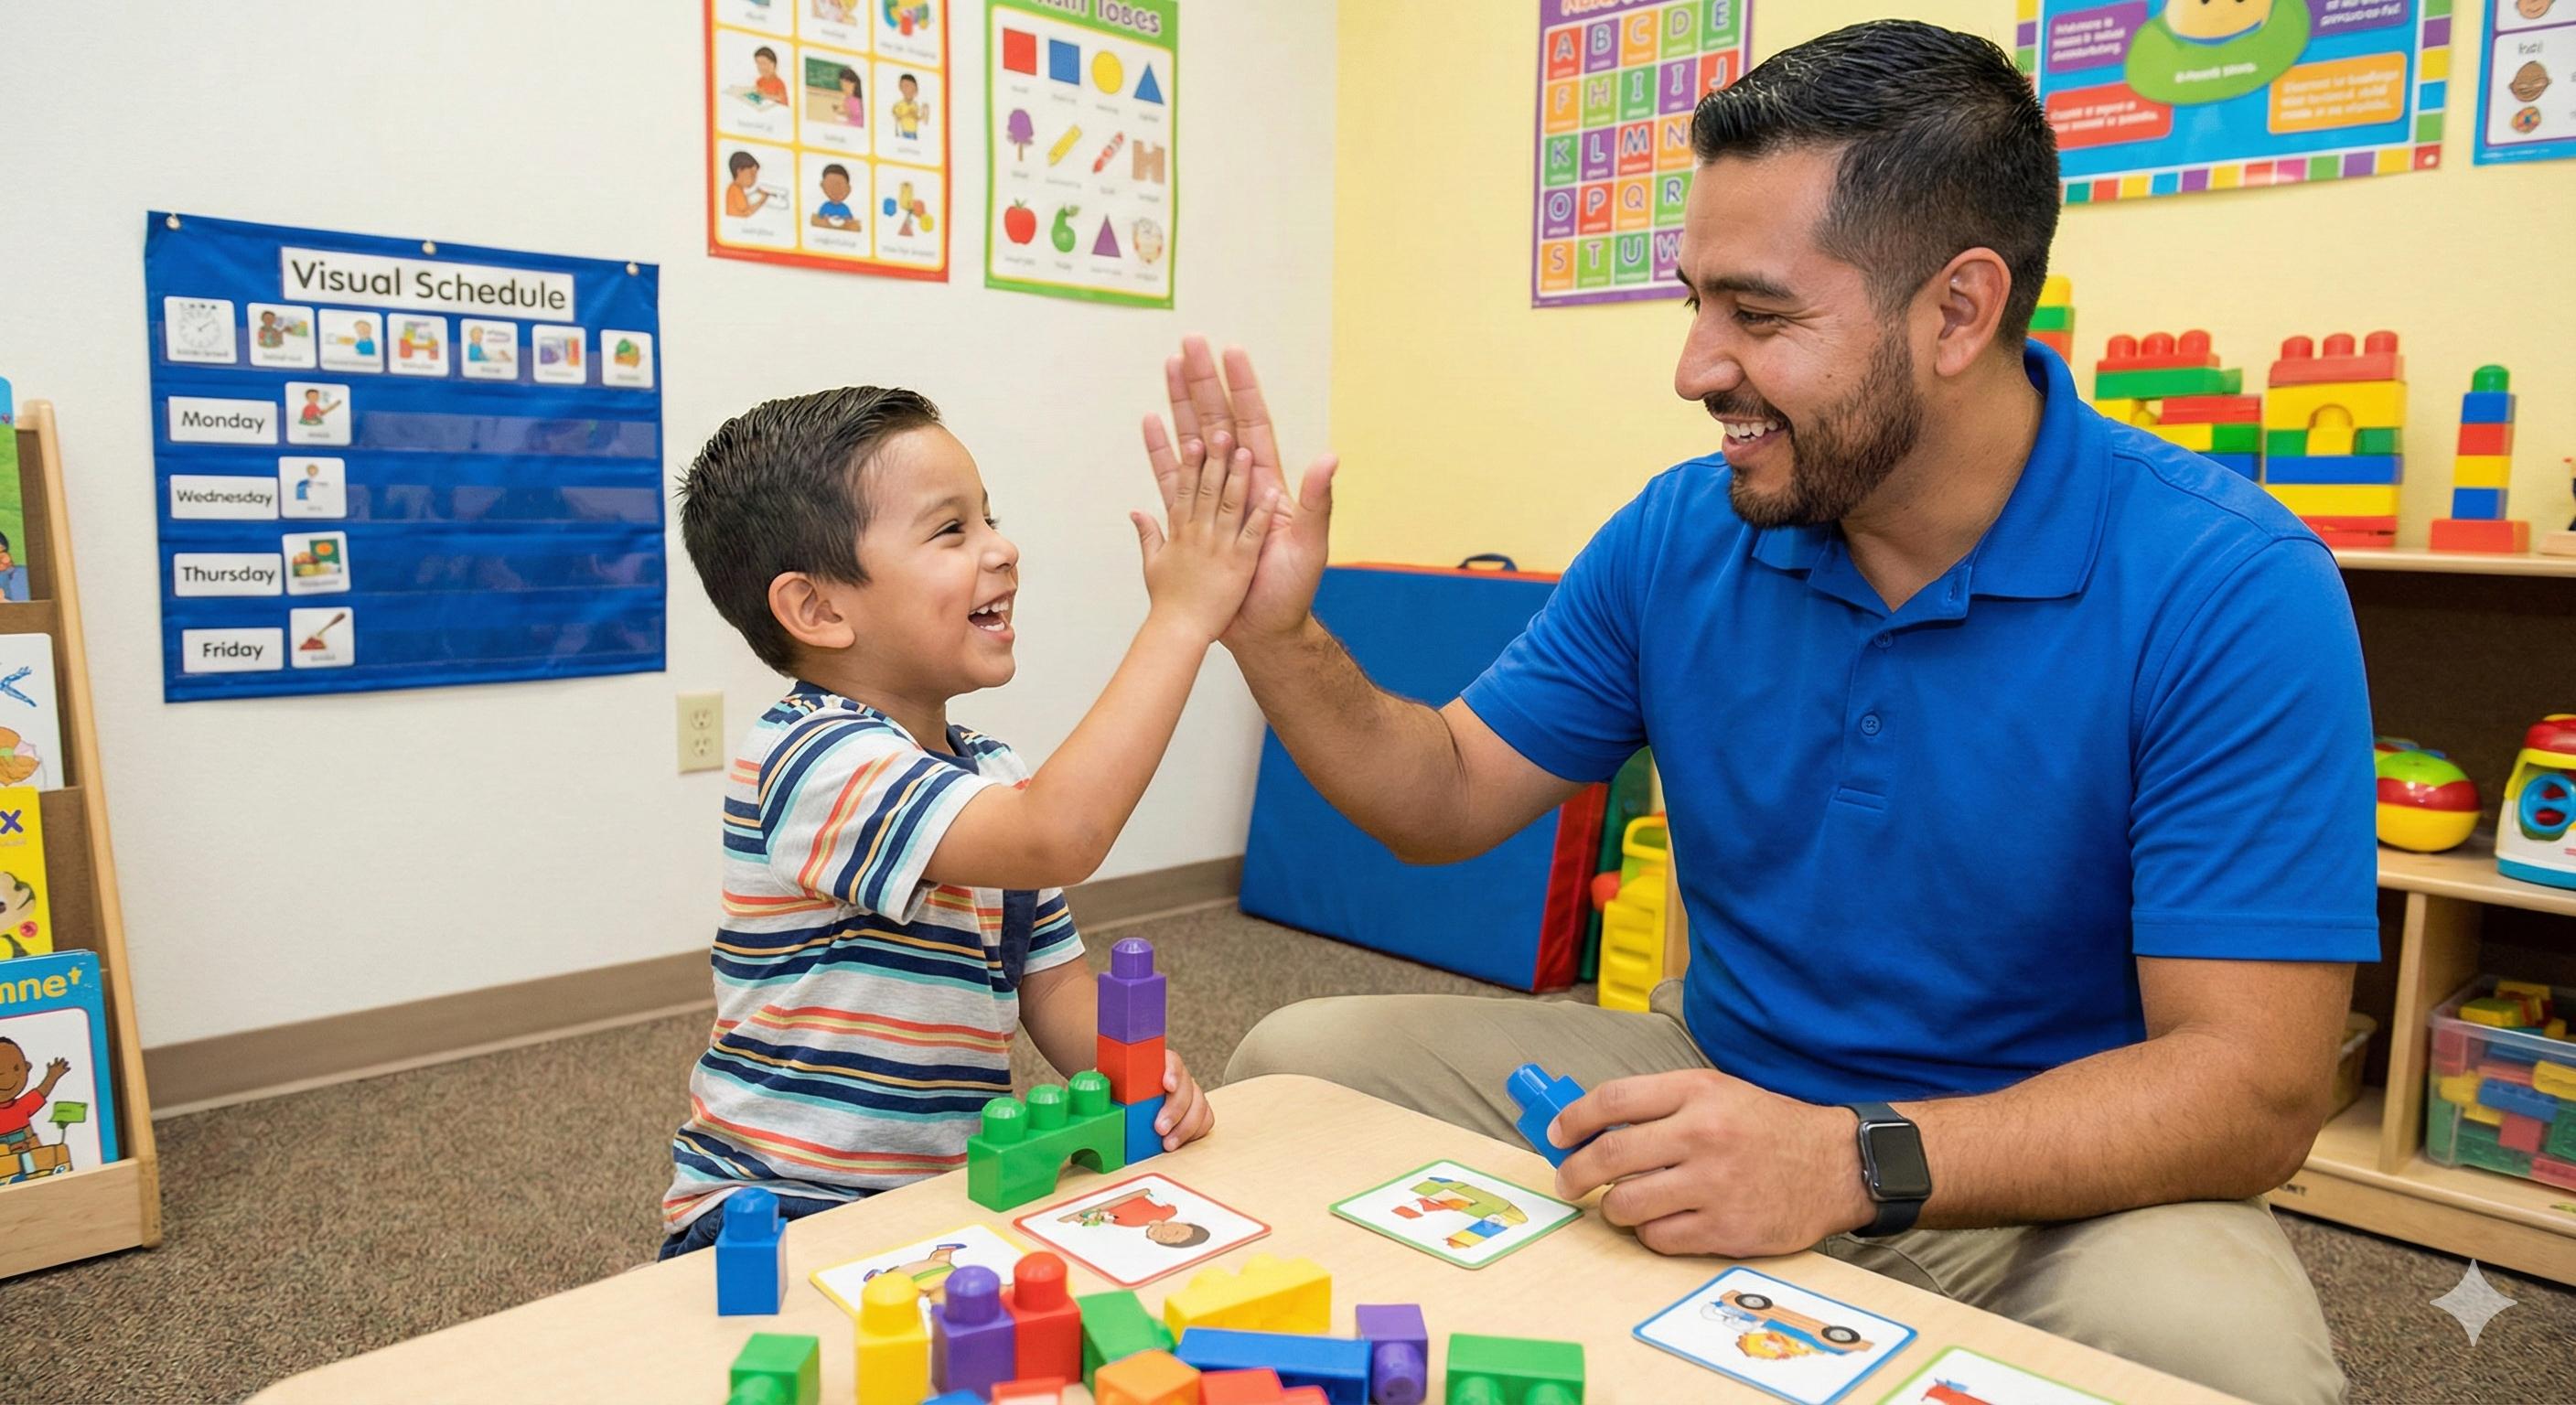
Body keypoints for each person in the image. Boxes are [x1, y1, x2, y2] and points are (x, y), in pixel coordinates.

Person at [1194, 21, 2370, 1405]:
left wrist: (1838, 1162)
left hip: (2052, 1178)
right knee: (1302, 1063)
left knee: (2227, 1363)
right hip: (1718, 1075)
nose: (1695, 367)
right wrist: (1276, 636)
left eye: (1757, 316)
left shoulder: (2230, 585)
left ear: (1958, 312)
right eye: (1694, 302)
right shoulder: (1680, 534)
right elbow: (1443, 793)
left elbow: (2258, 1089)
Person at [657, 386, 1272, 1255]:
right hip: (778, 1205)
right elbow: (1059, 834)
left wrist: (1134, 1073)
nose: (1002, 549)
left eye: (990, 518)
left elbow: (1050, 981)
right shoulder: (808, 758)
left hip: (941, 1197)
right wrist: (1181, 617)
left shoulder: (992, 773)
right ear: (819, 610)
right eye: (952, 530)